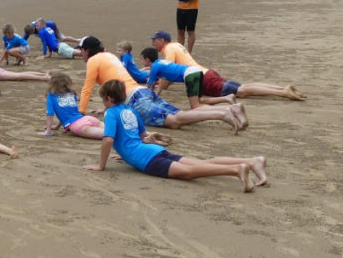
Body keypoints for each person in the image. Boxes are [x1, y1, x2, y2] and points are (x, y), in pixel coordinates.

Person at [84, 80, 267, 193]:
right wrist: (124, 153)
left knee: (189, 173)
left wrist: (101, 165)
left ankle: (236, 170)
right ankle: (250, 162)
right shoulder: (130, 110)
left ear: (108, 98)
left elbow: (108, 139)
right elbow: (141, 135)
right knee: (202, 163)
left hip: (147, 158)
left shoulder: (111, 113)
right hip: (154, 150)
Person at [77, 36, 246, 133]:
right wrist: (106, 108)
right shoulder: (111, 57)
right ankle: (228, 109)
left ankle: (223, 114)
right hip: (142, 92)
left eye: (81, 50)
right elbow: (115, 83)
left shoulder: (93, 61)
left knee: (175, 121)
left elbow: (87, 89)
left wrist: (80, 114)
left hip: (135, 100)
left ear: (87, 50)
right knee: (179, 115)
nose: (80, 53)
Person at [140, 47, 306, 104]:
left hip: (205, 80)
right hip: (208, 72)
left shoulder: (159, 64)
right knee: (243, 87)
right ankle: (282, 89)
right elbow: (165, 80)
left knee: (242, 91)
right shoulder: (166, 60)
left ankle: (283, 92)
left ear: (147, 59)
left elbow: (159, 84)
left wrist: (151, 93)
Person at [40, 72, 171, 144]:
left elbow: (51, 114)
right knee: (118, 128)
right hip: (87, 119)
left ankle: (147, 140)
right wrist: (57, 127)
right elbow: (68, 112)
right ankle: (148, 134)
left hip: (77, 126)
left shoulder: (52, 96)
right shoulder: (72, 94)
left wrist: (48, 131)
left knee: (112, 135)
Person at [138, 47, 235, 109]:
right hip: (196, 71)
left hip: (190, 75)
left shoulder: (155, 66)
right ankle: (226, 98)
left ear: (147, 59)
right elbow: (155, 84)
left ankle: (227, 109)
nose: (142, 61)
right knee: (199, 101)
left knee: (195, 106)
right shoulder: (160, 62)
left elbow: (149, 86)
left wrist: (143, 98)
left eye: (142, 59)